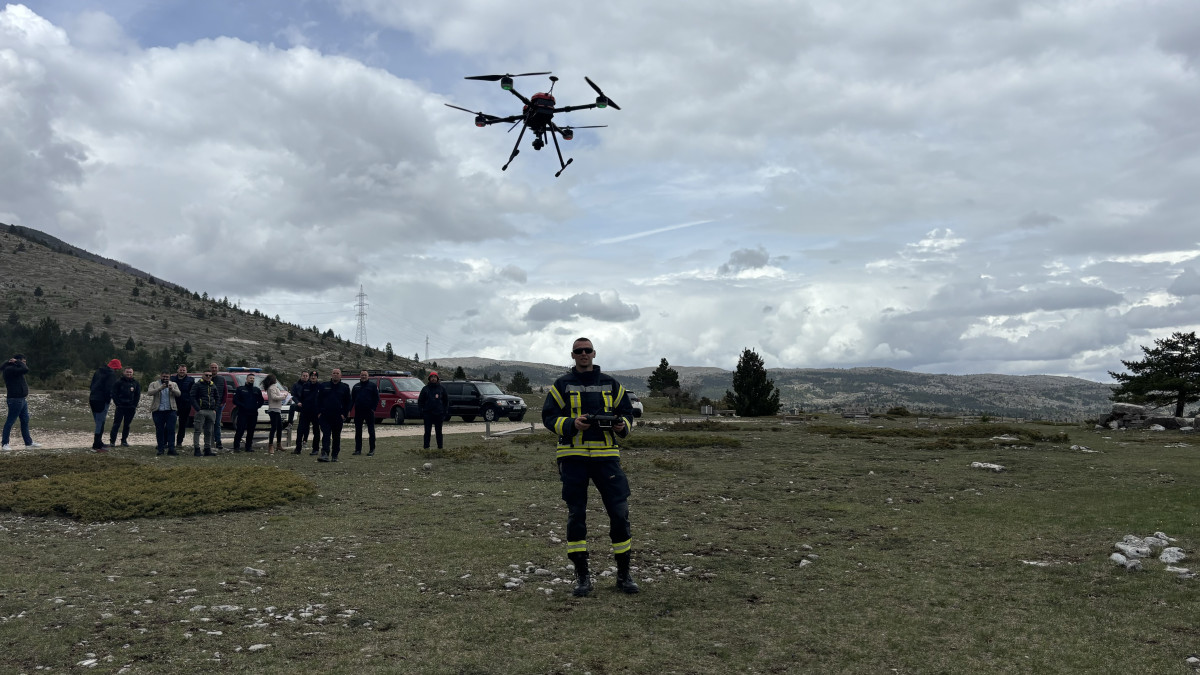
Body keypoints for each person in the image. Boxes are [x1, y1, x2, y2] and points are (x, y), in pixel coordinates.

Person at [542, 337, 638, 596]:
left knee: (619, 513)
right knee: (576, 515)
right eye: (579, 351)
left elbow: (628, 414)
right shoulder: (561, 385)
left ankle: (624, 574)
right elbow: (548, 417)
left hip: (607, 458)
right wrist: (571, 424)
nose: (583, 354)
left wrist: (622, 426)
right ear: (573, 355)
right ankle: (582, 576)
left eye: (587, 350)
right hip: (573, 458)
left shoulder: (611, 384)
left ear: (594, 353)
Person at [2, 354, 42, 451]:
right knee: (10, 421)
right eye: (23, 361)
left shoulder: (16, 370)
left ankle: (28, 443)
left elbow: (24, 369)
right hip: (15, 400)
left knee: (25, 420)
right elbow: (25, 369)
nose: (24, 364)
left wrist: (17, 362)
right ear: (17, 361)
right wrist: (17, 362)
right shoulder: (10, 369)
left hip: (22, 399)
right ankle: (5, 444)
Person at [316, 368, 351, 463]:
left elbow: (348, 402)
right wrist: (319, 412)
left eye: (337, 373)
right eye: (334, 373)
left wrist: (344, 414)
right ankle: (325, 454)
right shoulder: (324, 386)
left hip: (338, 416)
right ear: (331, 375)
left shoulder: (345, 387)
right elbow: (318, 400)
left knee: (336, 436)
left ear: (340, 375)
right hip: (325, 415)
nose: (335, 375)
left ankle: (335, 455)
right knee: (326, 435)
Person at [88, 358, 121, 451]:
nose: (117, 370)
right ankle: (96, 445)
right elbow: (109, 389)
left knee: (98, 421)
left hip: (92, 398)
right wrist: (108, 399)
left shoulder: (98, 371)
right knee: (100, 422)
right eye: (117, 368)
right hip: (102, 400)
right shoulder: (111, 374)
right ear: (115, 367)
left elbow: (91, 385)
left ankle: (99, 442)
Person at [146, 370, 181, 456]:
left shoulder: (173, 384)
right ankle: (160, 449)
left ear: (169, 377)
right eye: (164, 376)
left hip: (171, 410)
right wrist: (159, 389)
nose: (165, 378)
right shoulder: (154, 384)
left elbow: (179, 394)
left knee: (171, 430)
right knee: (159, 430)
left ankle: (171, 449)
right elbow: (149, 393)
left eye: (167, 377)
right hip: (158, 411)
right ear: (161, 376)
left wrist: (172, 389)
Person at [190, 370, 221, 456]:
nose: (208, 377)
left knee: (209, 431)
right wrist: (198, 409)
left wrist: (215, 409)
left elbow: (217, 397)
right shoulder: (197, 385)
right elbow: (192, 397)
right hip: (201, 411)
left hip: (211, 411)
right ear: (202, 375)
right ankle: (197, 449)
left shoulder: (213, 385)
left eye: (210, 375)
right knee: (198, 430)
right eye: (206, 375)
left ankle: (207, 449)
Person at [109, 367, 141, 448]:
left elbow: (137, 395)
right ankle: (112, 441)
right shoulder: (119, 382)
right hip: (121, 407)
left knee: (127, 425)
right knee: (116, 424)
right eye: (127, 372)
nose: (129, 374)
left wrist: (134, 405)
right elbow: (113, 393)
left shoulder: (135, 383)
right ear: (124, 372)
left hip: (131, 407)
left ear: (132, 373)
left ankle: (124, 441)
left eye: (130, 372)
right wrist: (117, 404)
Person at [231, 372, 264, 452]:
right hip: (243, 413)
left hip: (253, 413)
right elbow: (235, 400)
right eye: (250, 378)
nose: (252, 380)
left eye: (253, 378)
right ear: (246, 379)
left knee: (251, 430)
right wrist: (243, 405)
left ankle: (248, 447)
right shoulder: (240, 389)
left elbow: (261, 401)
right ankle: (236, 447)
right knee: (240, 430)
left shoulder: (256, 390)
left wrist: (256, 406)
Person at [417, 371, 449, 450]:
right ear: (429, 379)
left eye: (435, 377)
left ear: (437, 378)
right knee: (427, 432)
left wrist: (444, 412)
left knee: (439, 432)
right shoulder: (425, 389)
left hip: (439, 414)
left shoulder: (442, 389)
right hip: (428, 414)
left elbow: (446, 401)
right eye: (432, 377)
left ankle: (440, 448)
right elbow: (420, 401)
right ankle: (426, 448)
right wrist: (421, 412)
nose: (433, 378)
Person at [351, 370, 379, 456]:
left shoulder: (372, 386)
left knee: (371, 431)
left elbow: (376, 398)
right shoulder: (356, 386)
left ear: (368, 376)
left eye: (365, 375)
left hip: (369, 411)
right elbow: (352, 399)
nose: (363, 376)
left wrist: (373, 408)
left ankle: (372, 449)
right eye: (362, 375)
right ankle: (358, 450)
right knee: (358, 431)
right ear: (360, 376)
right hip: (358, 411)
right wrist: (349, 410)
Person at [297, 370, 322, 455]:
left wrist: (320, 411)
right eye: (312, 376)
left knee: (316, 431)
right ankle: (298, 448)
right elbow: (301, 397)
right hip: (305, 411)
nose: (313, 377)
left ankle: (315, 449)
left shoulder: (320, 386)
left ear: (317, 377)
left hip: (315, 412)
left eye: (315, 376)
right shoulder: (305, 386)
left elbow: (322, 399)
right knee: (300, 430)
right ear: (310, 377)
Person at [263, 373, 288, 455]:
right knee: (274, 427)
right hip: (273, 409)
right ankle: (271, 445)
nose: (276, 380)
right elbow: (274, 397)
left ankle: (278, 444)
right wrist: (283, 397)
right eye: (275, 378)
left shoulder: (274, 387)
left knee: (279, 427)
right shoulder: (271, 388)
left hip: (277, 409)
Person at [171, 365, 195, 449]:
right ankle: (169, 442)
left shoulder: (190, 380)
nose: (182, 372)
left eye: (183, 370)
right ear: (178, 370)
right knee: (171, 424)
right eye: (180, 370)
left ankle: (179, 442)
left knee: (182, 424)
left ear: (186, 371)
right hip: (173, 403)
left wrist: (190, 401)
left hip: (185, 404)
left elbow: (193, 392)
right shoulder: (172, 379)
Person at [207, 363, 229, 450]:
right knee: (208, 424)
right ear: (209, 368)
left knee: (217, 424)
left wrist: (223, 402)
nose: (214, 369)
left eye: (215, 367)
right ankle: (208, 441)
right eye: (212, 367)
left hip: (219, 405)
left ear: (218, 369)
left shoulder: (222, 379)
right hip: (207, 405)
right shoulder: (205, 378)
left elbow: (225, 391)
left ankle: (218, 441)